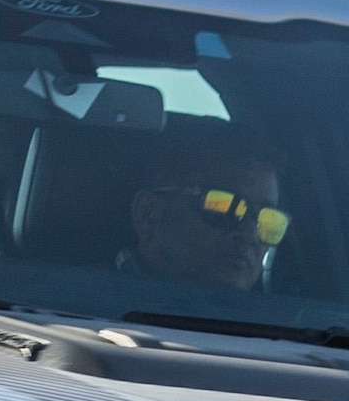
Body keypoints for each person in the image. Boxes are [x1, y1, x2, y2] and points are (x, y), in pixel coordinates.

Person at [121, 126, 291, 294]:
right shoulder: (100, 307)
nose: (250, 233)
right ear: (148, 214)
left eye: (268, 219)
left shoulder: (282, 319)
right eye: (222, 208)